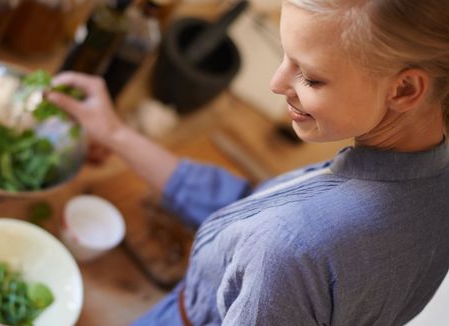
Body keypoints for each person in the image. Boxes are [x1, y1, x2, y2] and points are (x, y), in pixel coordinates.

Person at [45, 0, 449, 324]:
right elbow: (251, 204)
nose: (276, 84)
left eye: (310, 77)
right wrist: (116, 134)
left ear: (405, 88)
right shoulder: (432, 180)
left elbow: (281, 237)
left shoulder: (291, 246)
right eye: (283, 55)